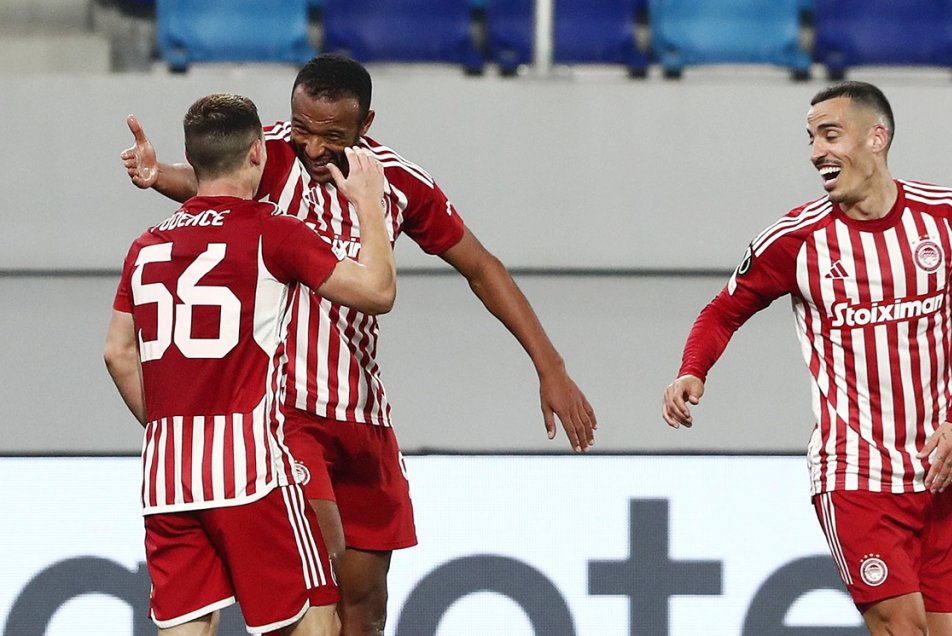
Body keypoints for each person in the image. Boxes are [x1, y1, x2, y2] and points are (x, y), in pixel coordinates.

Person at [120, 54, 597, 635]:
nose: (313, 147)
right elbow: (209, 183)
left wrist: (551, 367)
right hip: (286, 415)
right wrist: (159, 175)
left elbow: (481, 267)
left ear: (365, 124)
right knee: (314, 575)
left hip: (360, 413)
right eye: (302, 127)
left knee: (364, 606)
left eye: (333, 135)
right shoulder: (268, 154)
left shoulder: (397, 183)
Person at [662, 81, 952, 636]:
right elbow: (722, 310)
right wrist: (693, 368)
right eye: (811, 138)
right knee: (903, 628)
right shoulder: (796, 239)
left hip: (940, 473)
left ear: (877, 137)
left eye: (830, 135)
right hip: (855, 474)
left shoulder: (948, 216)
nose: (817, 151)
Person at [104, 93, 397, 635]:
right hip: (252, 470)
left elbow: (117, 352)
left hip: (167, 475)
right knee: (315, 624)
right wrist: (369, 204)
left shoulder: (145, 246)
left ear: (193, 160)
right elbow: (377, 292)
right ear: (258, 153)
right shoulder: (272, 230)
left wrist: (172, 427)